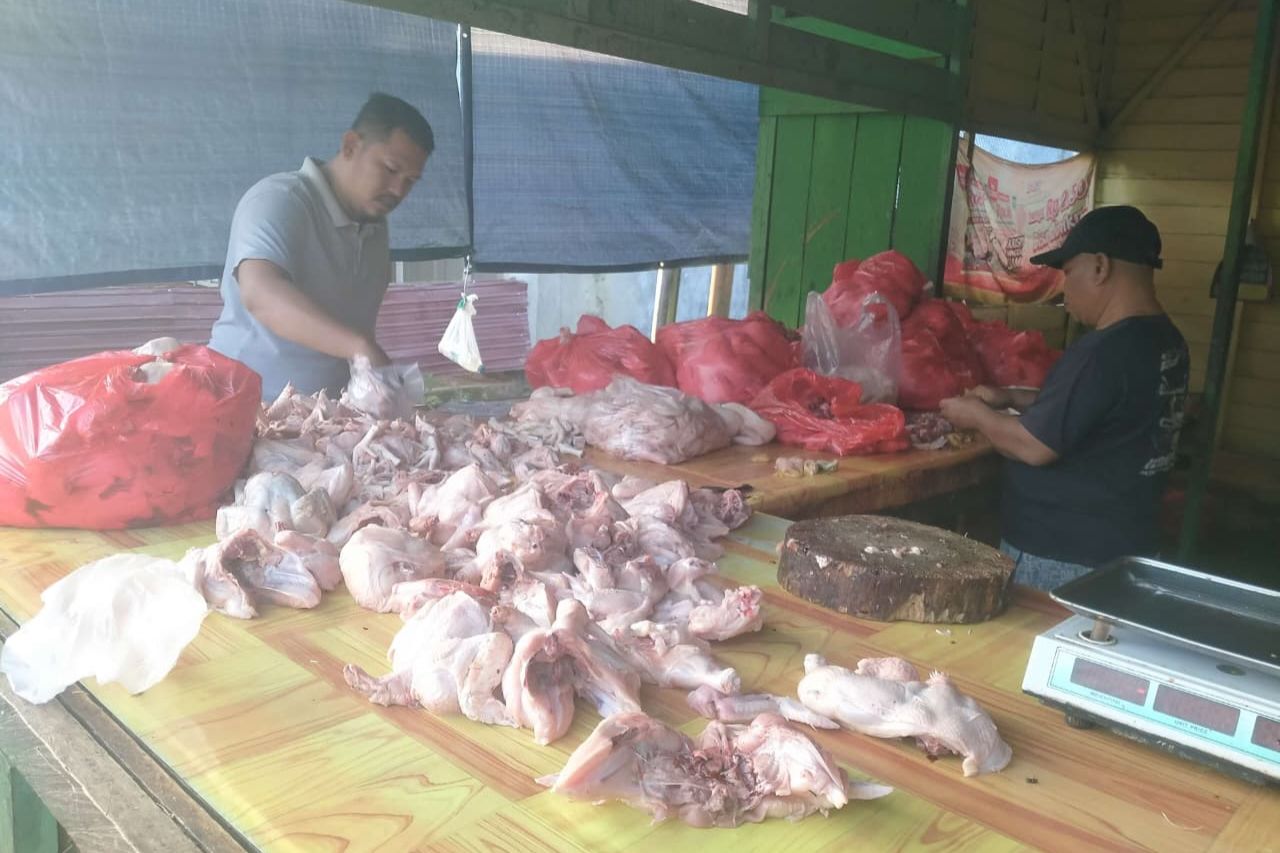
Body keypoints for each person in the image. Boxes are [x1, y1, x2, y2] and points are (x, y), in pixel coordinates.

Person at [939, 205, 1189, 590]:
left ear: (1100, 267)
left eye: (1069, 273)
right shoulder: (1164, 340)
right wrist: (1011, 396)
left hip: (1063, 558)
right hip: (1124, 547)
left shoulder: (1104, 350)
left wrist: (974, 414)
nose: (1064, 288)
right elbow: (1101, 408)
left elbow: (1034, 445)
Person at [209, 92, 433, 399]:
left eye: (410, 181)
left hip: (327, 417)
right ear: (351, 145)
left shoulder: (375, 227)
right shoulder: (280, 200)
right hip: (248, 409)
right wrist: (359, 347)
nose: (397, 190)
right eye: (391, 169)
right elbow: (259, 293)